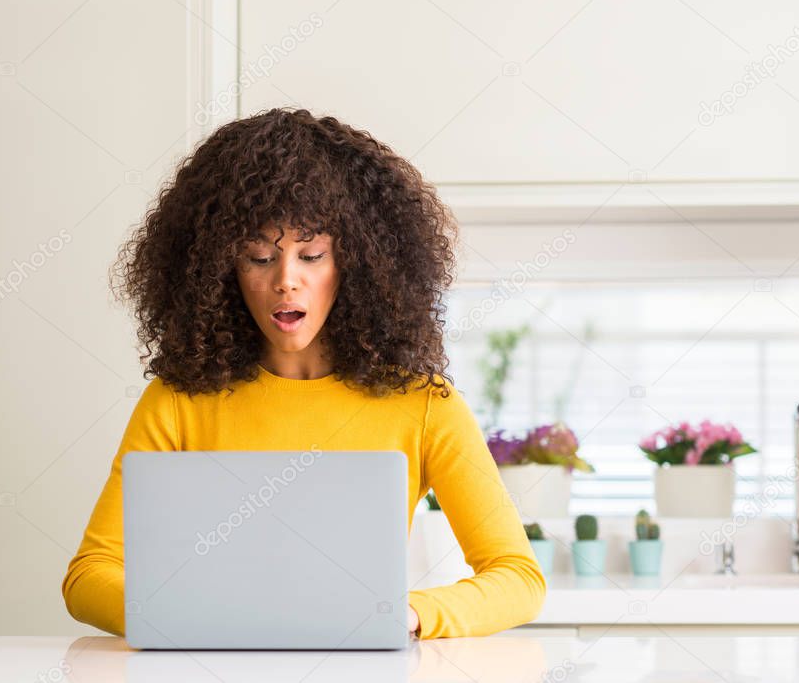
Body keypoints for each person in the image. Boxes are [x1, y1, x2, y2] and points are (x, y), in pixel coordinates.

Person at [60, 107, 545, 640]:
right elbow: (89, 576)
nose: (286, 280)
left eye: (311, 255)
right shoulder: (179, 400)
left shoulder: (424, 404)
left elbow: (518, 578)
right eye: (259, 258)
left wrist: (404, 616)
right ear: (222, 271)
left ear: (356, 263)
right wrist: (186, 615)